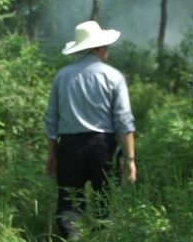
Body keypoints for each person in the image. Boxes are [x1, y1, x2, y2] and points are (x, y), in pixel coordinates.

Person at [43, 20, 136, 240]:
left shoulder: (62, 76)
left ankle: (73, 238)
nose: (107, 51)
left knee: (68, 203)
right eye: (105, 46)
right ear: (97, 48)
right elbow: (123, 121)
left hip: (69, 148)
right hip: (103, 147)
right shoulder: (113, 77)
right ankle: (102, 237)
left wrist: (51, 153)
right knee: (105, 201)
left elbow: (51, 120)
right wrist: (129, 159)